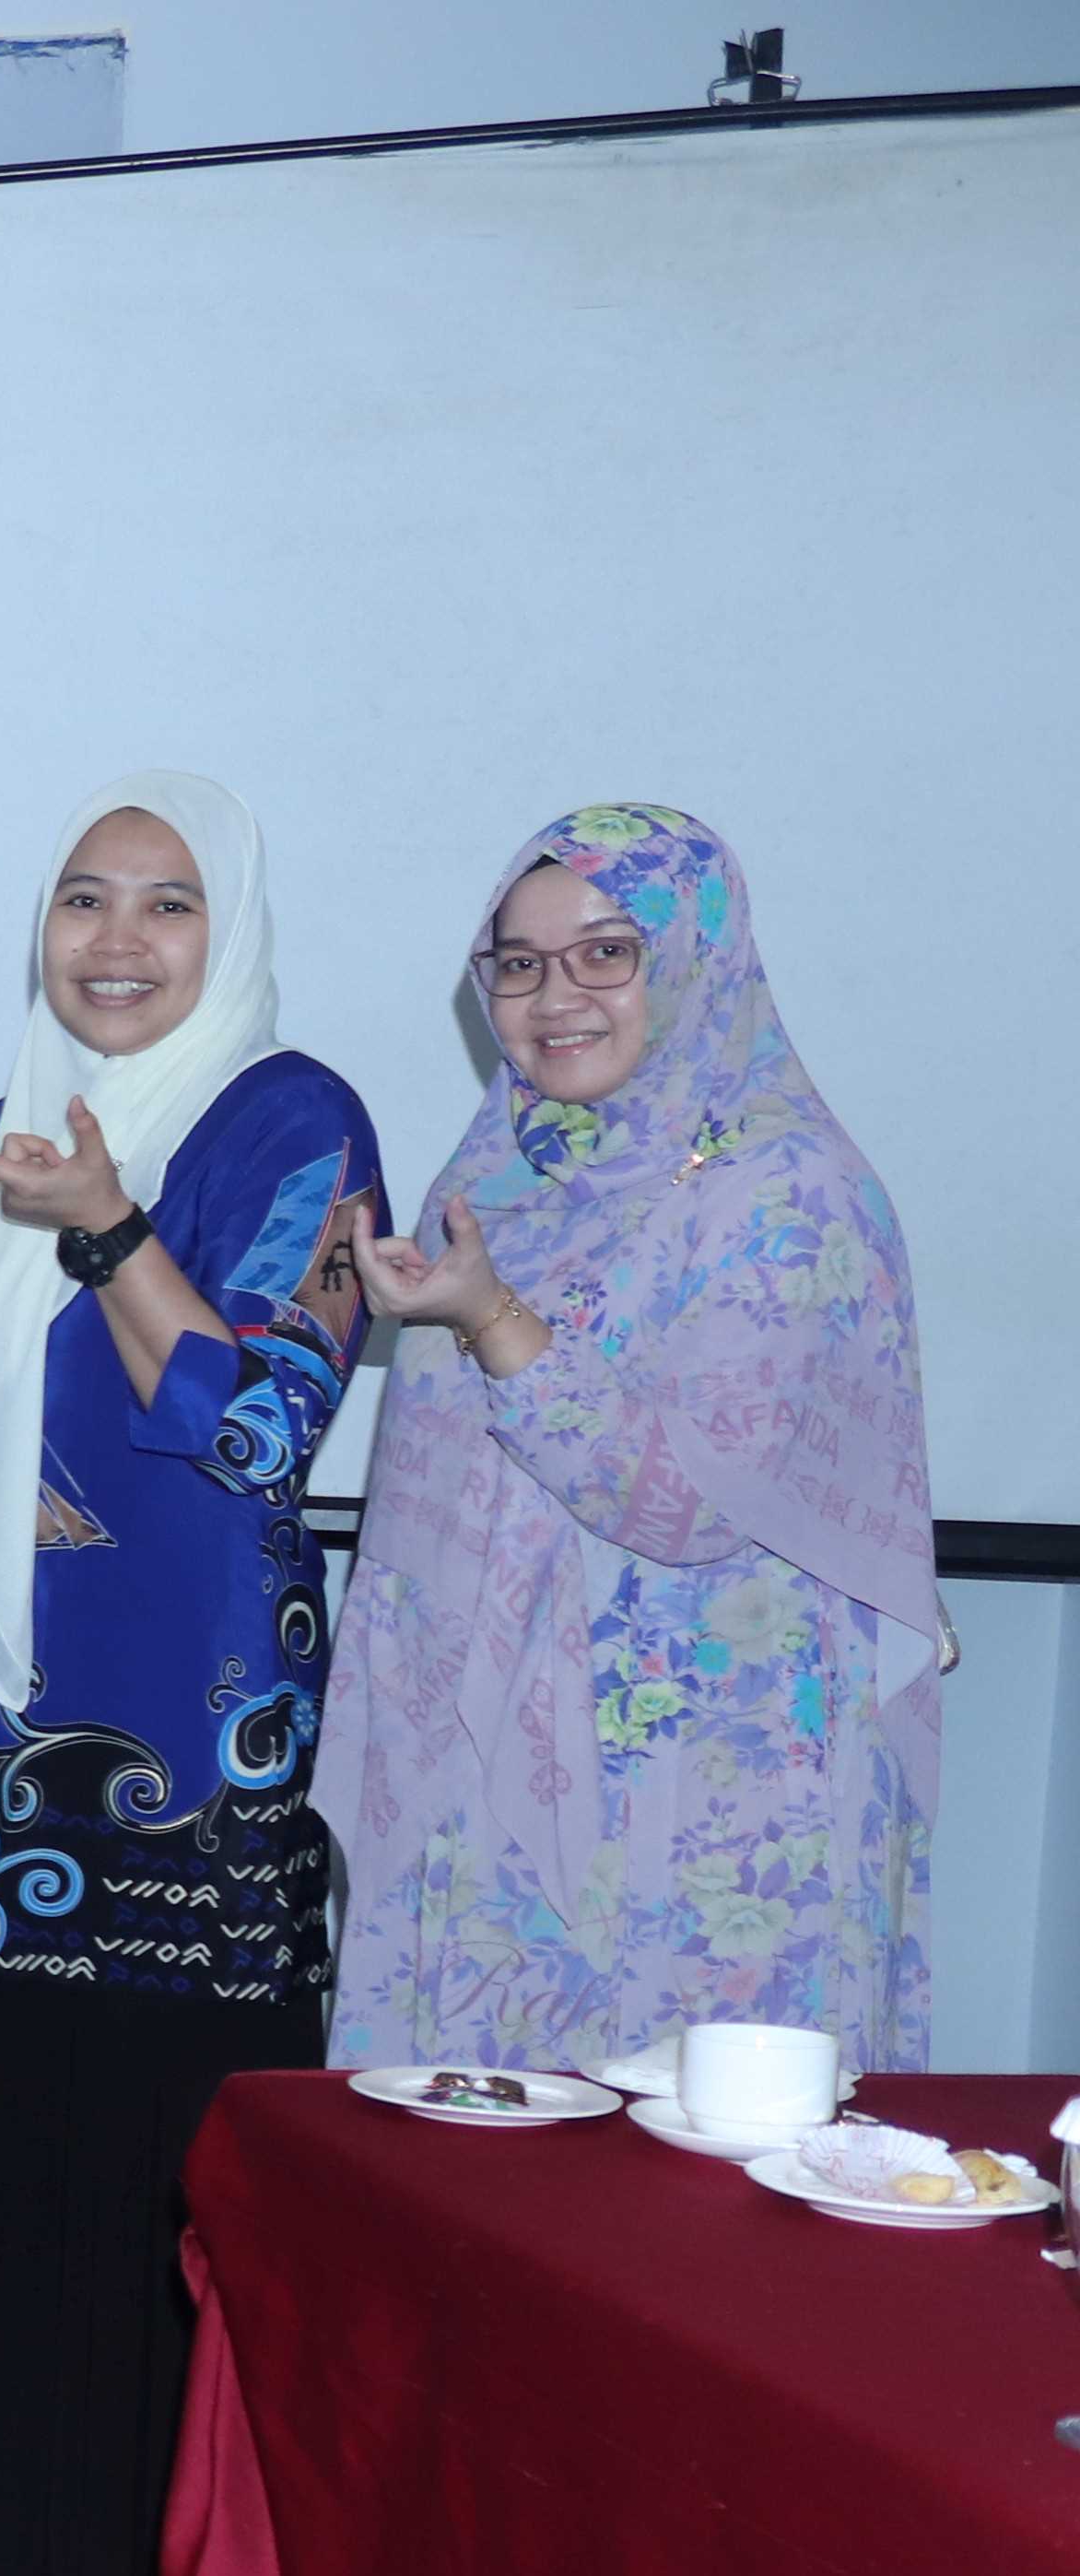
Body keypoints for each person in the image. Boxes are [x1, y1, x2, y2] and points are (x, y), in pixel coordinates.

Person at [0, 775, 370, 2576]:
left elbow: (257, 1427)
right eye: (83, 899)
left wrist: (113, 1226)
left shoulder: (295, 1120)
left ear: (233, 934)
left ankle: (115, 2557)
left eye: (167, 904)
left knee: (122, 2146)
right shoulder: (2, 1125)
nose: (117, 941)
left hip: (169, 1738)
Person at [319, 806, 939, 2069]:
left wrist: (489, 1317)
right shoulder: (498, 1179)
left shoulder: (789, 1191)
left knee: (676, 2165)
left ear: (696, 958)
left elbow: (685, 1503)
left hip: (695, 1790)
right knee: (464, 2160)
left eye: (608, 952)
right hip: (486, 1770)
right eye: (520, 963)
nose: (557, 998)